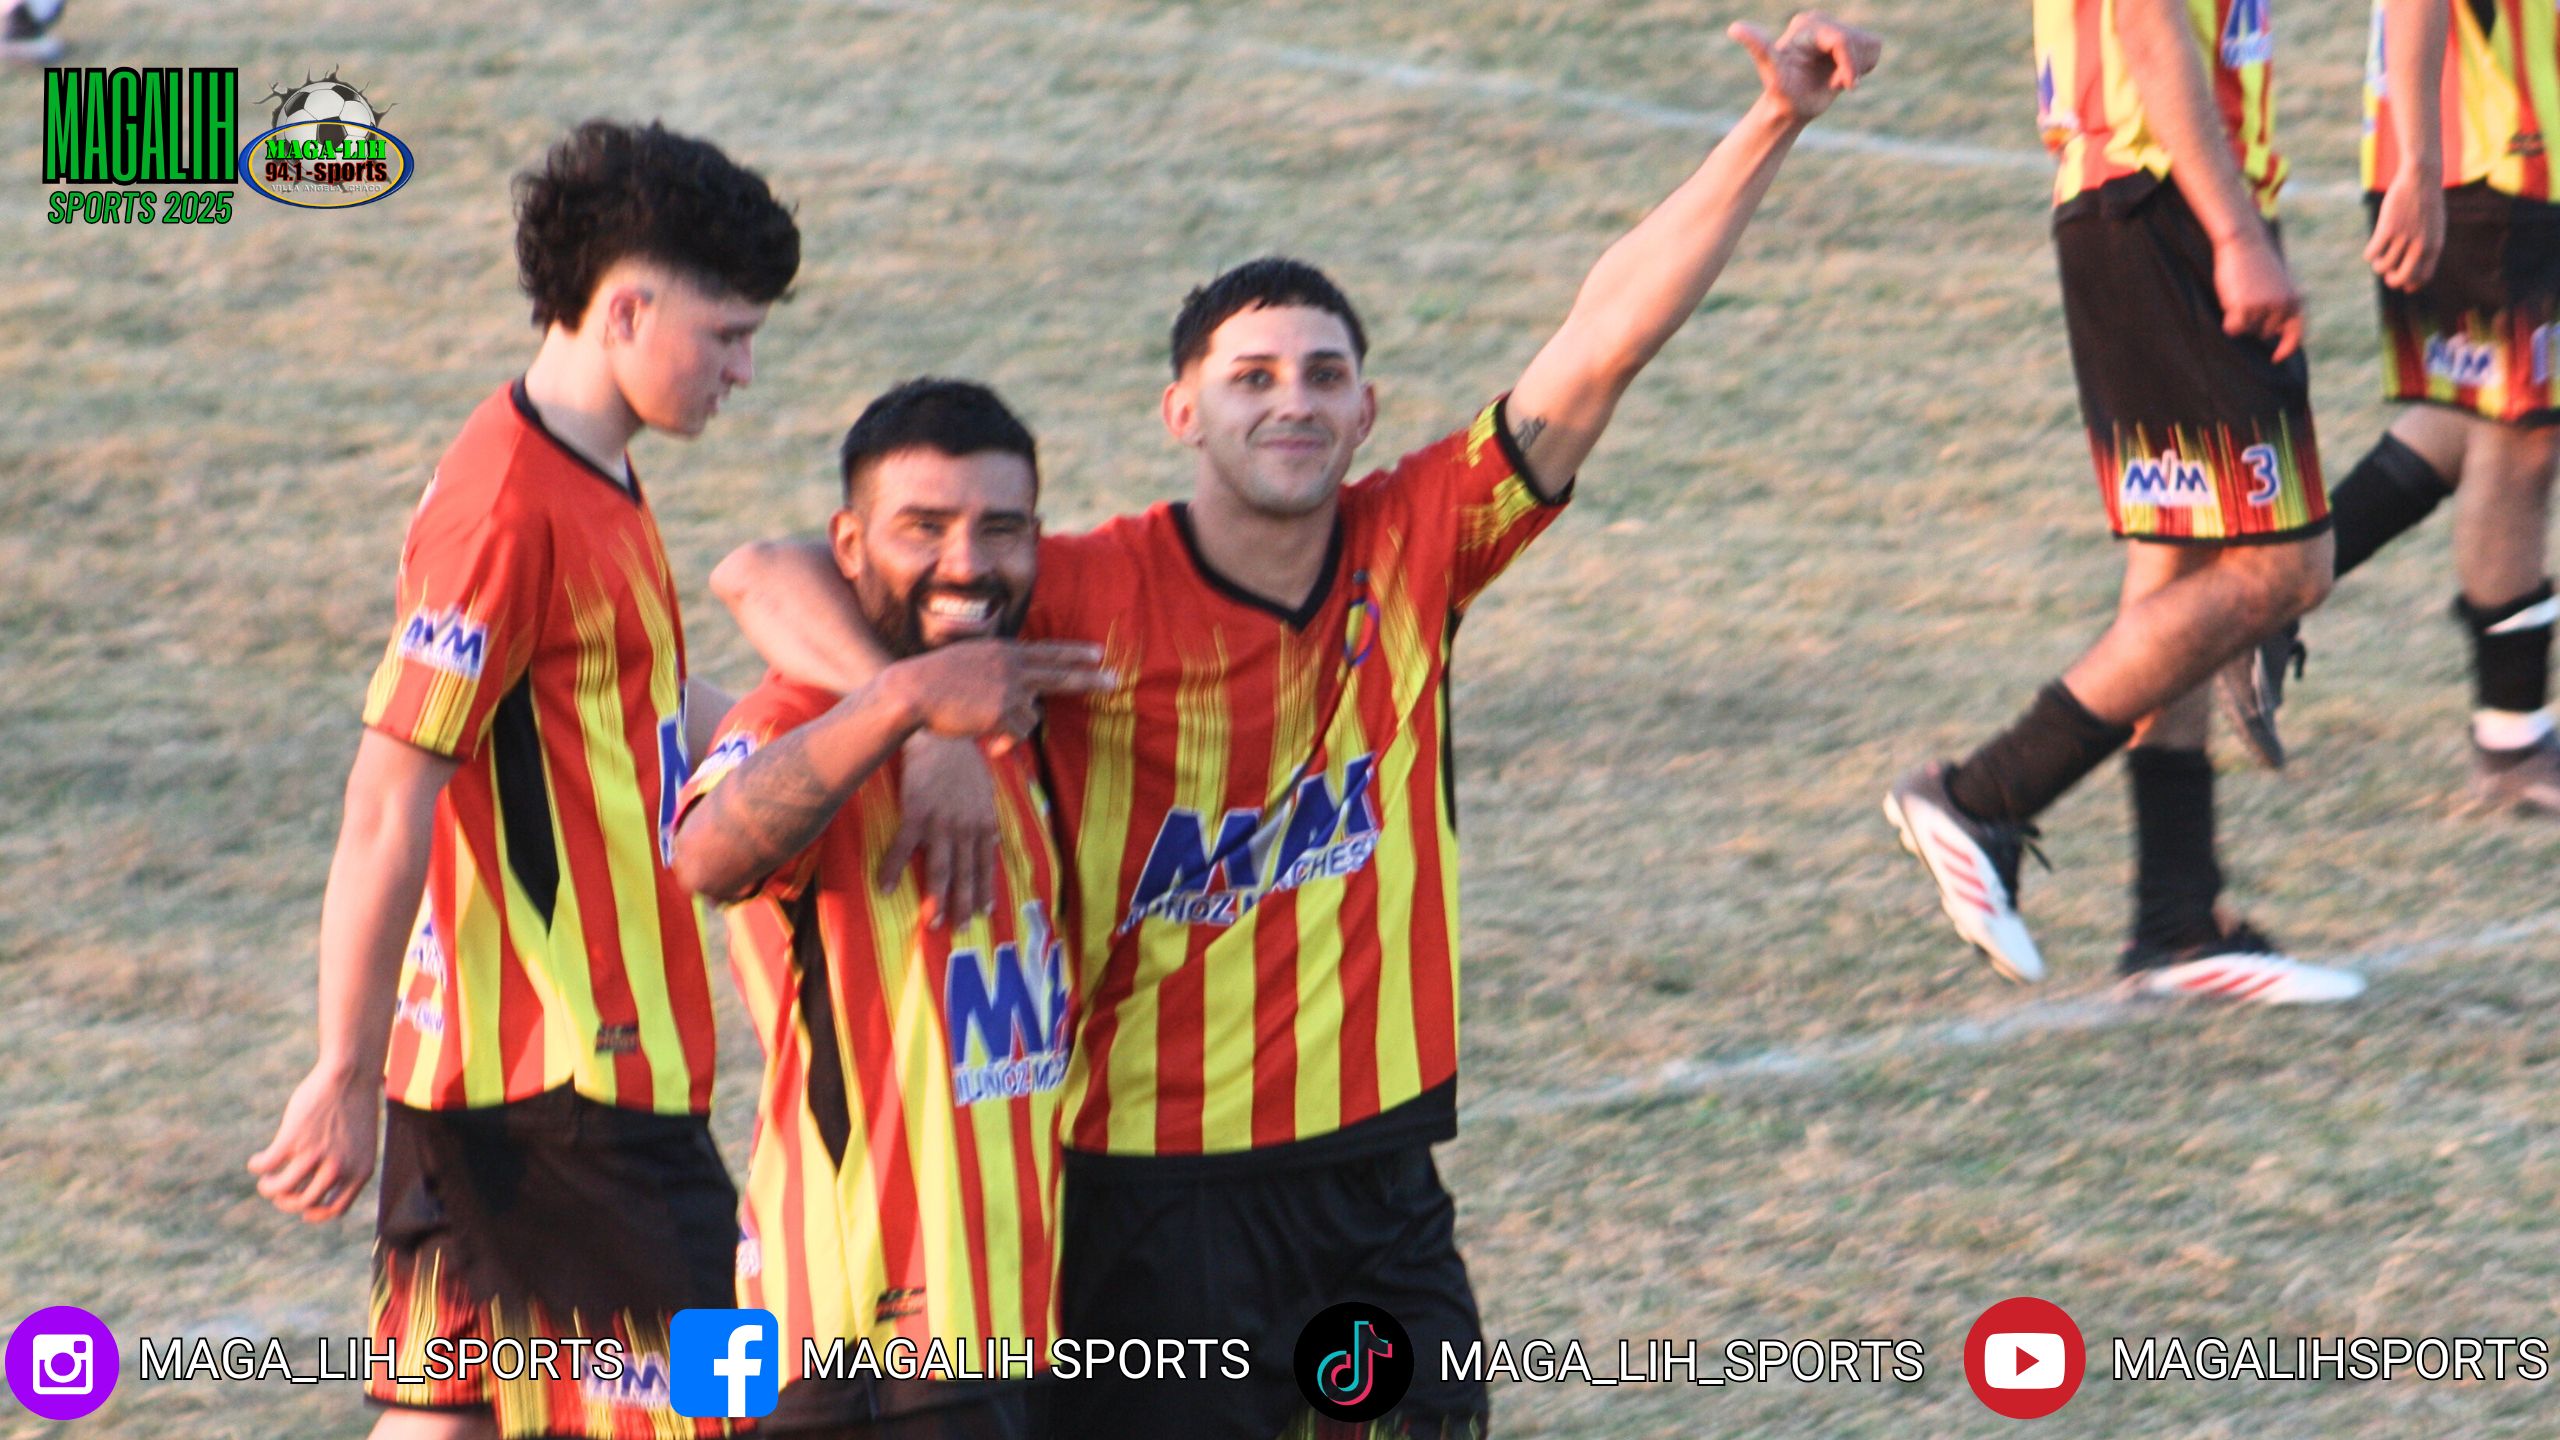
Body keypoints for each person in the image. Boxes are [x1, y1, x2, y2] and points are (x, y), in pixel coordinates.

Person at [713, 15, 1880, 1437]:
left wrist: (1772, 124)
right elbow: (767, 570)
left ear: (1365, 405)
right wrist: (921, 725)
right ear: (1181, 410)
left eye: (1323, 375)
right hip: (1151, 1191)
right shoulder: (1070, 580)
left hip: (1377, 1179)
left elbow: (1604, 340)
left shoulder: (1420, 541)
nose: (1292, 402)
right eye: (1252, 377)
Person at [245, 119, 799, 1440]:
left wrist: (839, 734)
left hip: (492, 1085)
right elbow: (390, 792)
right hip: (566, 1083)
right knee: (738, 1410)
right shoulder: (507, 505)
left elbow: (642, 708)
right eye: (727, 333)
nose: (744, 367)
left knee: (451, 1415)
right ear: (623, 309)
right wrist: (338, 1065)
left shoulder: (589, 470)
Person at [1885, 0, 2363, 1005]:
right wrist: (2234, 232)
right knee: (2285, 567)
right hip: (2162, 208)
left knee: (2177, 560)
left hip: (2154, 201)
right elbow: (2148, 24)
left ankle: (2174, 924)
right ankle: (1981, 796)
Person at [672, 380, 1111, 1440]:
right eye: (924, 528)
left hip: (1013, 1316)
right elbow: (709, 855)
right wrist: (906, 709)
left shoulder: (1028, 706)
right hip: (841, 1337)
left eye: (998, 529)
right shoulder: (801, 714)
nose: (965, 564)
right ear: (851, 545)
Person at [2220, 0, 2560, 812]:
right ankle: (2512, 746)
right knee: (2522, 439)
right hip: (2483, 164)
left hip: (2502, 152)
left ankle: (2261, 598)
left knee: (2485, 417)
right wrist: (2418, 161)